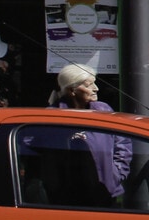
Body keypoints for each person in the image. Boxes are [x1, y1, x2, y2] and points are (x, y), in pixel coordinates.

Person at [53, 63, 131, 204]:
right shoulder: (52, 117)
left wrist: (116, 174)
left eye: (94, 83)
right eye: (89, 85)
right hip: (66, 197)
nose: (96, 89)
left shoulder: (103, 110)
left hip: (105, 192)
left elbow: (122, 142)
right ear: (72, 90)